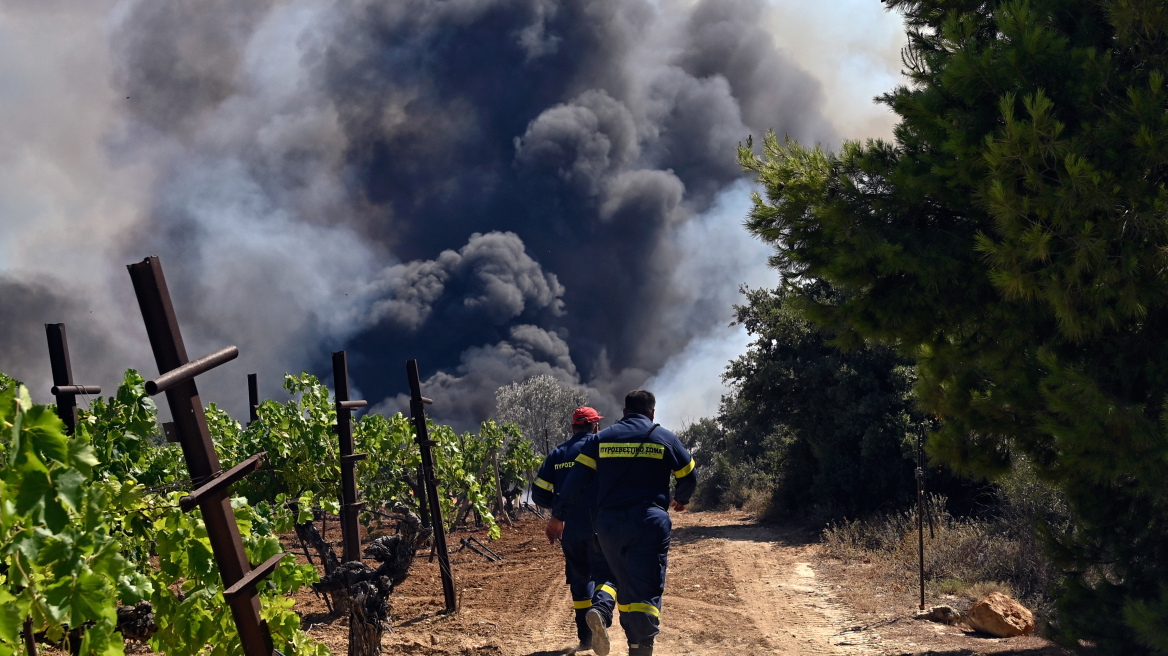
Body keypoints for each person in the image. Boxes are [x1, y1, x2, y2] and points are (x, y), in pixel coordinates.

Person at [550, 390, 697, 656]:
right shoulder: (664, 437)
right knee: (647, 586)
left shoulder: (600, 439)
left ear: (624, 412)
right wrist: (682, 499)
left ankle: (605, 612)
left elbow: (575, 483)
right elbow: (689, 474)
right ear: (652, 413)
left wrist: (559, 515)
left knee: (618, 578)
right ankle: (640, 646)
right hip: (649, 523)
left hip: (608, 526)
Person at [531, 406, 618, 654]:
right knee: (607, 576)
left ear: (572, 428)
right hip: (600, 527)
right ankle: (600, 612)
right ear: (596, 427)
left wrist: (559, 509)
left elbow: (538, 492)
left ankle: (586, 639)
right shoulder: (602, 449)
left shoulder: (558, 453)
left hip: (569, 529)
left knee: (580, 582)